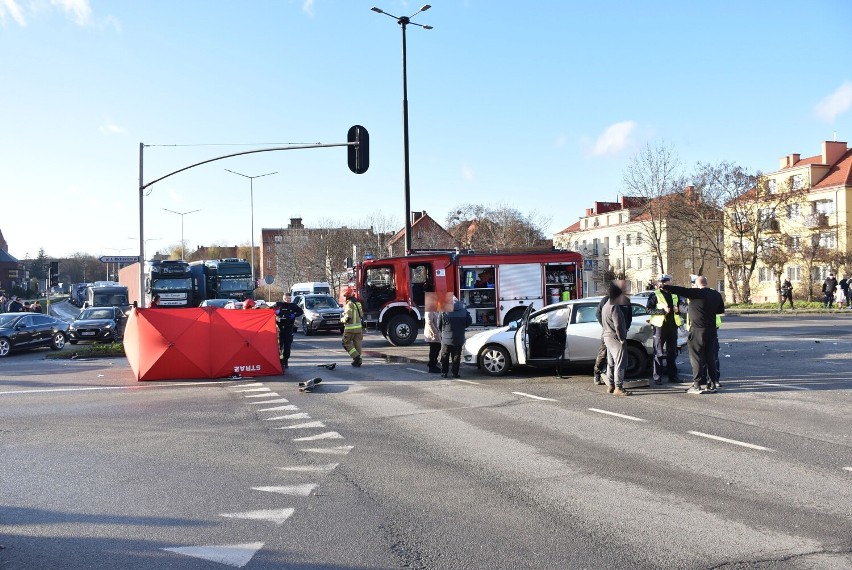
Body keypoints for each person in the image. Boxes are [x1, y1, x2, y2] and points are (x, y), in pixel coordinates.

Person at [661, 276, 725, 394]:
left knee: (696, 357)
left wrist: (664, 286)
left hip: (697, 330)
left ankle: (697, 384)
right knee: (710, 357)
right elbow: (720, 310)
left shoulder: (696, 293)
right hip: (711, 330)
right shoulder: (716, 294)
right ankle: (712, 384)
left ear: (696, 284)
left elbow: (680, 290)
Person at [646, 274, 684, 385]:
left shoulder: (674, 294)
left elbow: (680, 309)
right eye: (662, 281)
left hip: (672, 326)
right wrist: (663, 311)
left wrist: (677, 310)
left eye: (666, 281)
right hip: (660, 327)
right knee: (658, 352)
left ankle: (673, 376)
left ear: (669, 282)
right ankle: (657, 377)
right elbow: (648, 310)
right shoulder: (655, 294)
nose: (663, 283)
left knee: (672, 353)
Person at [601, 281, 631, 396]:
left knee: (611, 363)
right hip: (614, 338)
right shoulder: (615, 307)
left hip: (607, 336)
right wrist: (622, 338)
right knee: (619, 362)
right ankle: (618, 387)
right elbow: (618, 325)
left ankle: (611, 386)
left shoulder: (605, 305)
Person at [439, 296, 467, 378]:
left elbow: (439, 324)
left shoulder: (444, 310)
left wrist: (444, 331)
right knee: (456, 355)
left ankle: (444, 373)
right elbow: (469, 321)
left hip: (446, 338)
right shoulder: (463, 310)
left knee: (445, 355)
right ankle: (455, 373)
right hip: (459, 338)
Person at [274, 293, 303, 369]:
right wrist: (276, 312)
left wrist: (294, 314)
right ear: (283, 298)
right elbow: (270, 309)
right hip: (279, 329)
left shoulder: (293, 306)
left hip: (288, 328)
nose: (287, 300)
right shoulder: (279, 304)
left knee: (287, 347)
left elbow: (301, 311)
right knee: (279, 346)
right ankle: (279, 362)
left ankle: (285, 360)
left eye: (289, 298)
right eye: (286, 298)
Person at [341, 286, 363, 367]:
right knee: (357, 344)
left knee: (345, 343)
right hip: (358, 328)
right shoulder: (358, 304)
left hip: (350, 329)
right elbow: (361, 315)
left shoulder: (349, 304)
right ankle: (358, 361)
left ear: (347, 295)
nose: (344, 297)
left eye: (345, 296)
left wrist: (342, 320)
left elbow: (348, 317)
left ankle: (356, 357)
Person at [423, 304, 442, 373]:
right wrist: (435, 332)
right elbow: (429, 323)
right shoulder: (429, 310)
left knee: (437, 348)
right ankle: (431, 365)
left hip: (436, 333)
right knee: (434, 349)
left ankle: (434, 362)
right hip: (431, 334)